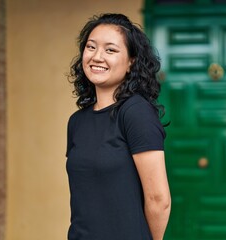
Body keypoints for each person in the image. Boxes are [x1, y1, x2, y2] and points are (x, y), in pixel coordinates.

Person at [66, 13, 171, 240]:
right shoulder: (77, 121)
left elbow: (158, 199)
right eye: (91, 47)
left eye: (110, 50)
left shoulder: (135, 112)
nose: (97, 56)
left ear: (131, 62)